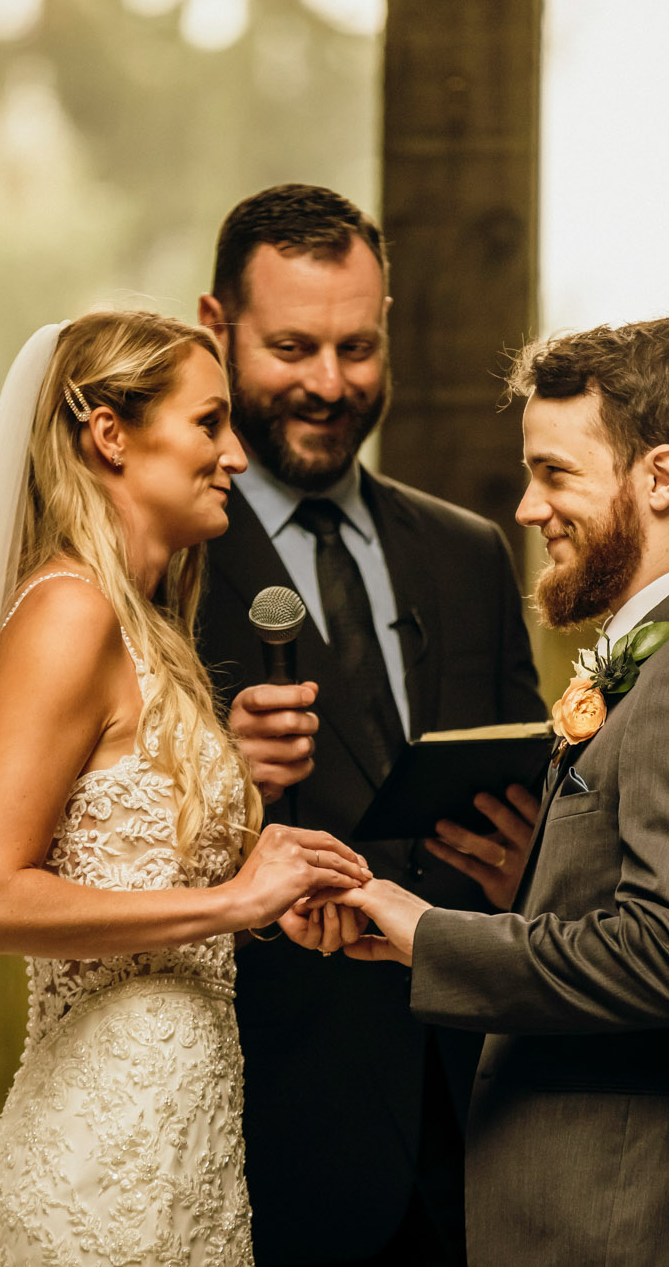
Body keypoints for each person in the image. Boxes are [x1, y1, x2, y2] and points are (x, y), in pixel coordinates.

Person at [0, 311, 373, 1266]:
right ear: (110, 436)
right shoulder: (67, 613)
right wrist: (231, 896)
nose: (235, 457)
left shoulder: (145, 622)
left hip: (192, 1154)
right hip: (101, 1166)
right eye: (208, 424)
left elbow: (120, 838)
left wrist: (237, 800)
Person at [333, 317, 669, 1266]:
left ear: (662, 478)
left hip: (646, 1229)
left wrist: (428, 932)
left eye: (555, 473)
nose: (526, 507)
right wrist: (539, 877)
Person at [191, 184, 548, 1265]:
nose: (329, 384)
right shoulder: (162, 564)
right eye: (292, 346)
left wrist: (533, 860)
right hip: (274, 1129)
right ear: (216, 328)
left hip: (476, 1128)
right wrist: (218, 773)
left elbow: (532, 797)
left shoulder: (469, 552)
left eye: (357, 345)